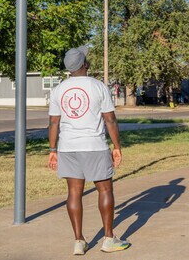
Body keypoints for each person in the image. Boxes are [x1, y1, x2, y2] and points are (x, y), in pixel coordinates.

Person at [48, 45, 130, 255]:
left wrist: (52, 149)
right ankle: (109, 239)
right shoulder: (98, 86)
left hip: (68, 148)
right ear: (84, 64)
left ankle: (79, 241)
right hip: (94, 146)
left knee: (74, 193)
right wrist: (117, 146)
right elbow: (110, 119)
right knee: (105, 190)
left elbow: (53, 123)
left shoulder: (58, 90)